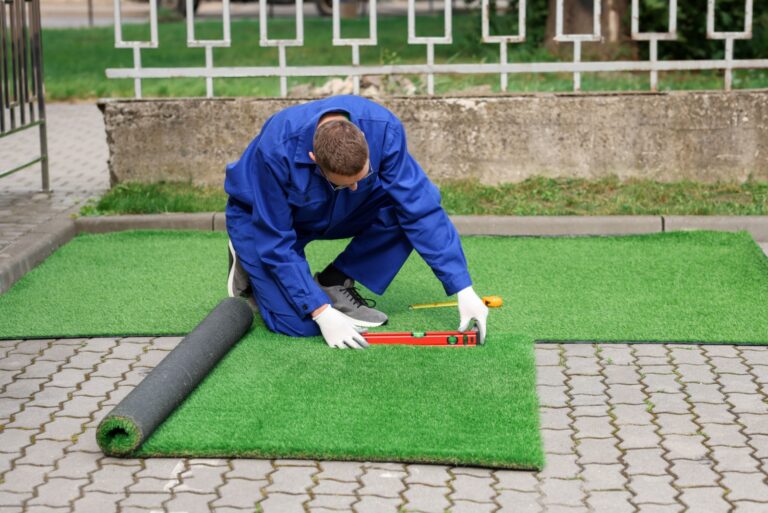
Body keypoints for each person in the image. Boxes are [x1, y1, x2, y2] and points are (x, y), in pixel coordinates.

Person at [224, 95, 489, 349]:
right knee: (299, 325)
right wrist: (321, 311)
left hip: (338, 211)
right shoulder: (276, 148)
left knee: (404, 208)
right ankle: (246, 256)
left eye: (361, 177)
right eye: (345, 182)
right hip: (260, 219)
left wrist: (462, 287)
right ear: (314, 159)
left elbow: (420, 208)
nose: (354, 187)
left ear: (363, 139)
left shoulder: (383, 129)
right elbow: (276, 241)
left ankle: (334, 281)